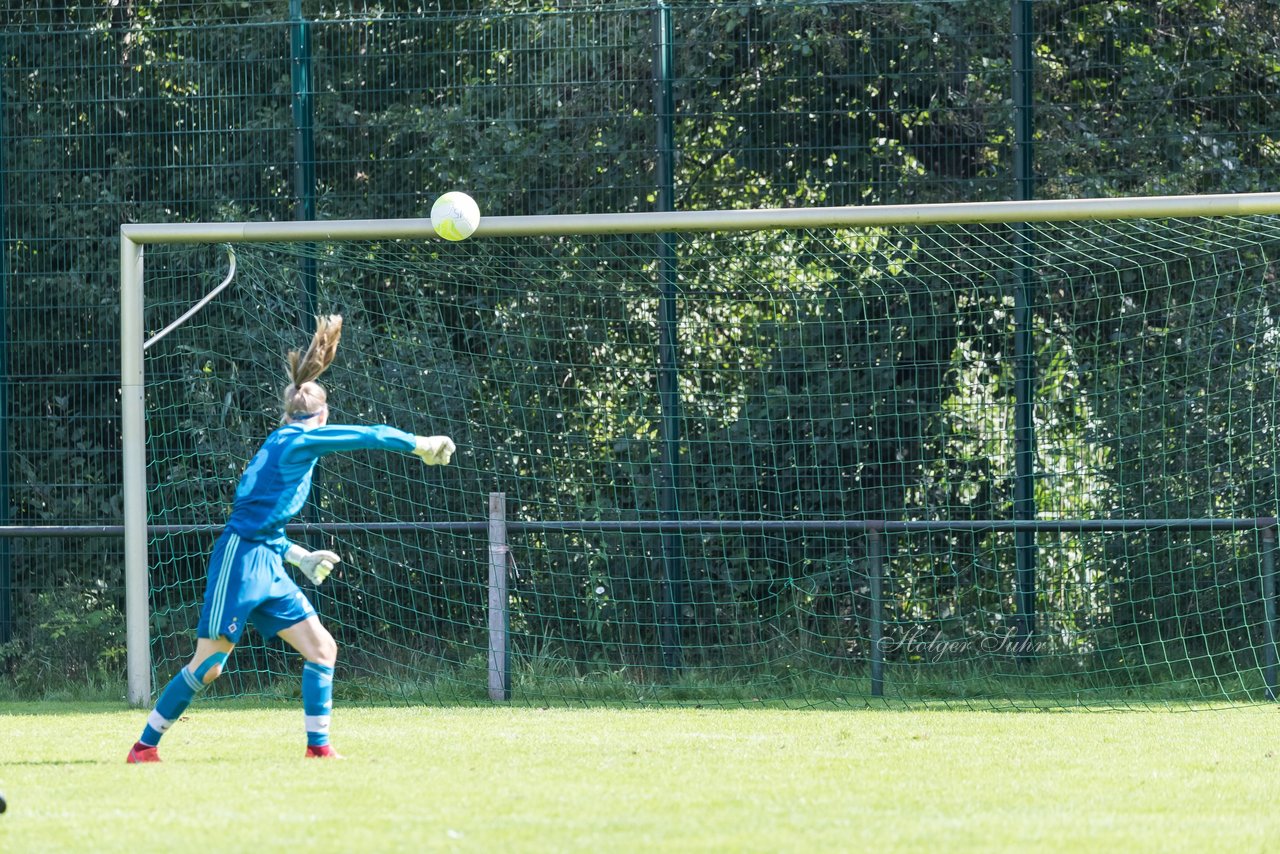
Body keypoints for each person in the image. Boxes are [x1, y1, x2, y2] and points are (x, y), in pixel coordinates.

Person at [126, 314, 455, 762]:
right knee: (209, 667)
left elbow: (264, 521)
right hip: (240, 562)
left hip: (266, 559)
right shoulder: (298, 441)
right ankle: (144, 747)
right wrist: (420, 443)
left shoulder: (284, 440)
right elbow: (370, 435)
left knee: (322, 648)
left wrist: (297, 556)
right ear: (323, 415)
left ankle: (318, 748)